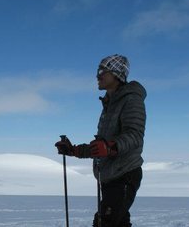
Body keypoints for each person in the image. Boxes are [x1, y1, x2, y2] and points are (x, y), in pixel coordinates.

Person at [55, 54, 146, 227]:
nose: (98, 75)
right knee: (117, 223)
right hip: (110, 176)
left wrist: (111, 147)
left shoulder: (131, 99)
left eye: (102, 71)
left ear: (117, 74)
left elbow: (134, 135)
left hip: (125, 174)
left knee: (104, 222)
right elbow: (101, 146)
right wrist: (73, 150)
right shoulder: (110, 104)